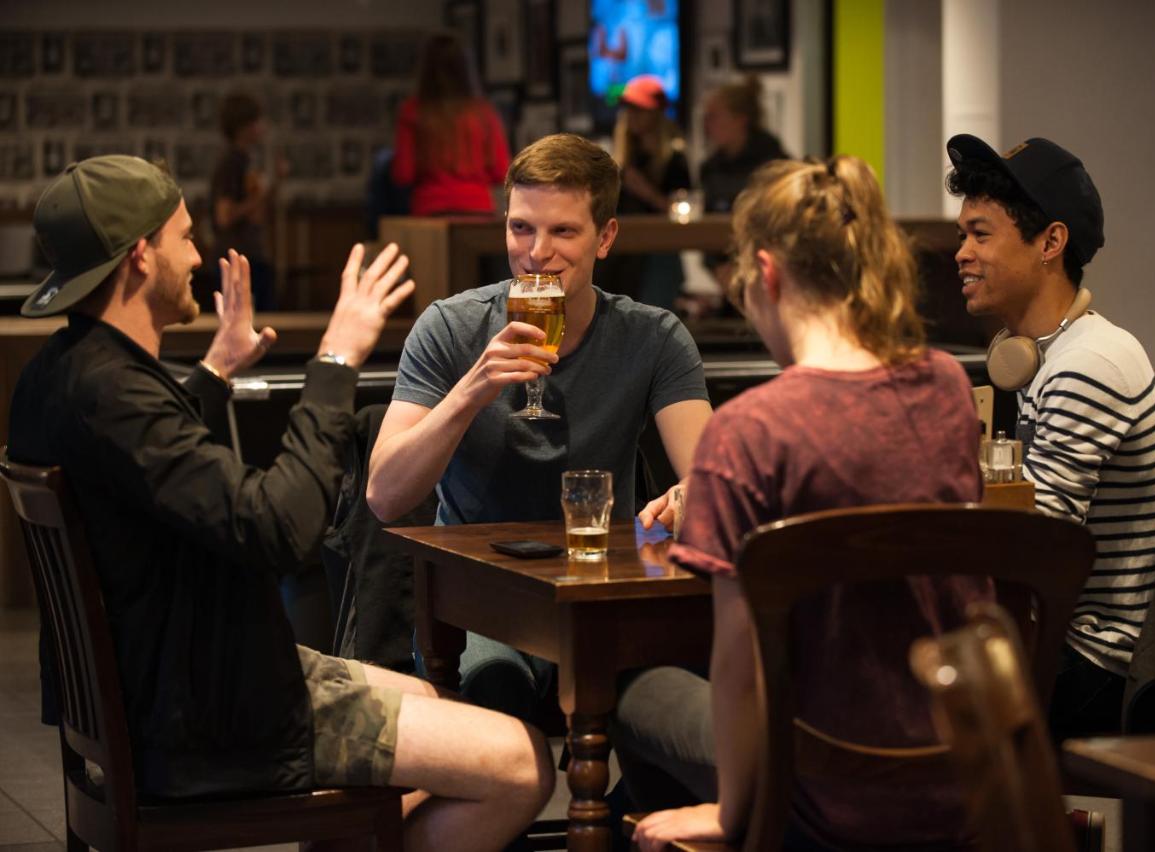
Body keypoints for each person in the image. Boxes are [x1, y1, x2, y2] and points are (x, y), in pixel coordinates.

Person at [9, 155, 553, 852]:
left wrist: (215, 371)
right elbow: (281, 529)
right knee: (523, 764)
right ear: (140, 256)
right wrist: (336, 362)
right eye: (184, 238)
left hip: (188, 682)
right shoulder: (115, 394)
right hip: (219, 719)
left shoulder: (60, 376)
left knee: (440, 704)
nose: (197, 256)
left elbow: (151, 472)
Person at [624, 156, 987, 851]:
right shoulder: (945, 387)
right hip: (963, 772)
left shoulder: (750, 431)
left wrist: (733, 812)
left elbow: (738, 667)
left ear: (766, 273)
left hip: (820, 798)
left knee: (633, 686)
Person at [366, 133, 712, 721]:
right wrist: (471, 391)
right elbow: (384, 495)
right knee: (496, 694)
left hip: (599, 592)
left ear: (605, 237)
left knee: (676, 702)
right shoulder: (449, 327)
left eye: (563, 232)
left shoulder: (653, 337)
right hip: (481, 600)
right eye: (521, 228)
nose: (536, 253)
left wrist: (688, 497)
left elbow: (711, 479)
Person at [945, 134, 1155, 739]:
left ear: (1050, 243)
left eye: (980, 234)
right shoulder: (1044, 357)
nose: (961, 254)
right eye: (962, 236)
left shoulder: (1089, 365)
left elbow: (1037, 546)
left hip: (1098, 664)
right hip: (1059, 638)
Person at [391, 31, 510, 217]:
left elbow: (403, 174)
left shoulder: (413, 112)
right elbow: (502, 171)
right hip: (478, 208)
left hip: (430, 208)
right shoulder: (484, 113)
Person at [697, 75, 788, 314]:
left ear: (740, 120)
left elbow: (780, 227)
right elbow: (705, 225)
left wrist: (749, 269)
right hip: (727, 278)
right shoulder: (710, 168)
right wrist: (717, 267)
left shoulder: (775, 166)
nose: (707, 125)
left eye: (714, 116)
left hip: (771, 279)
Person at [604, 75, 692, 307]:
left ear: (656, 114)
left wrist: (647, 192)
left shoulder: (674, 159)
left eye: (639, 109)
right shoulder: (621, 160)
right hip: (621, 251)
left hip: (658, 252)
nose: (631, 115)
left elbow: (684, 211)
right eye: (628, 108)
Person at [210, 91, 281, 310]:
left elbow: (257, 212)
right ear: (244, 126)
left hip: (249, 255)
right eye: (256, 121)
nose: (261, 127)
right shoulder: (232, 163)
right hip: (236, 256)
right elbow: (224, 216)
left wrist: (276, 182)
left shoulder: (244, 160)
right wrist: (258, 199)